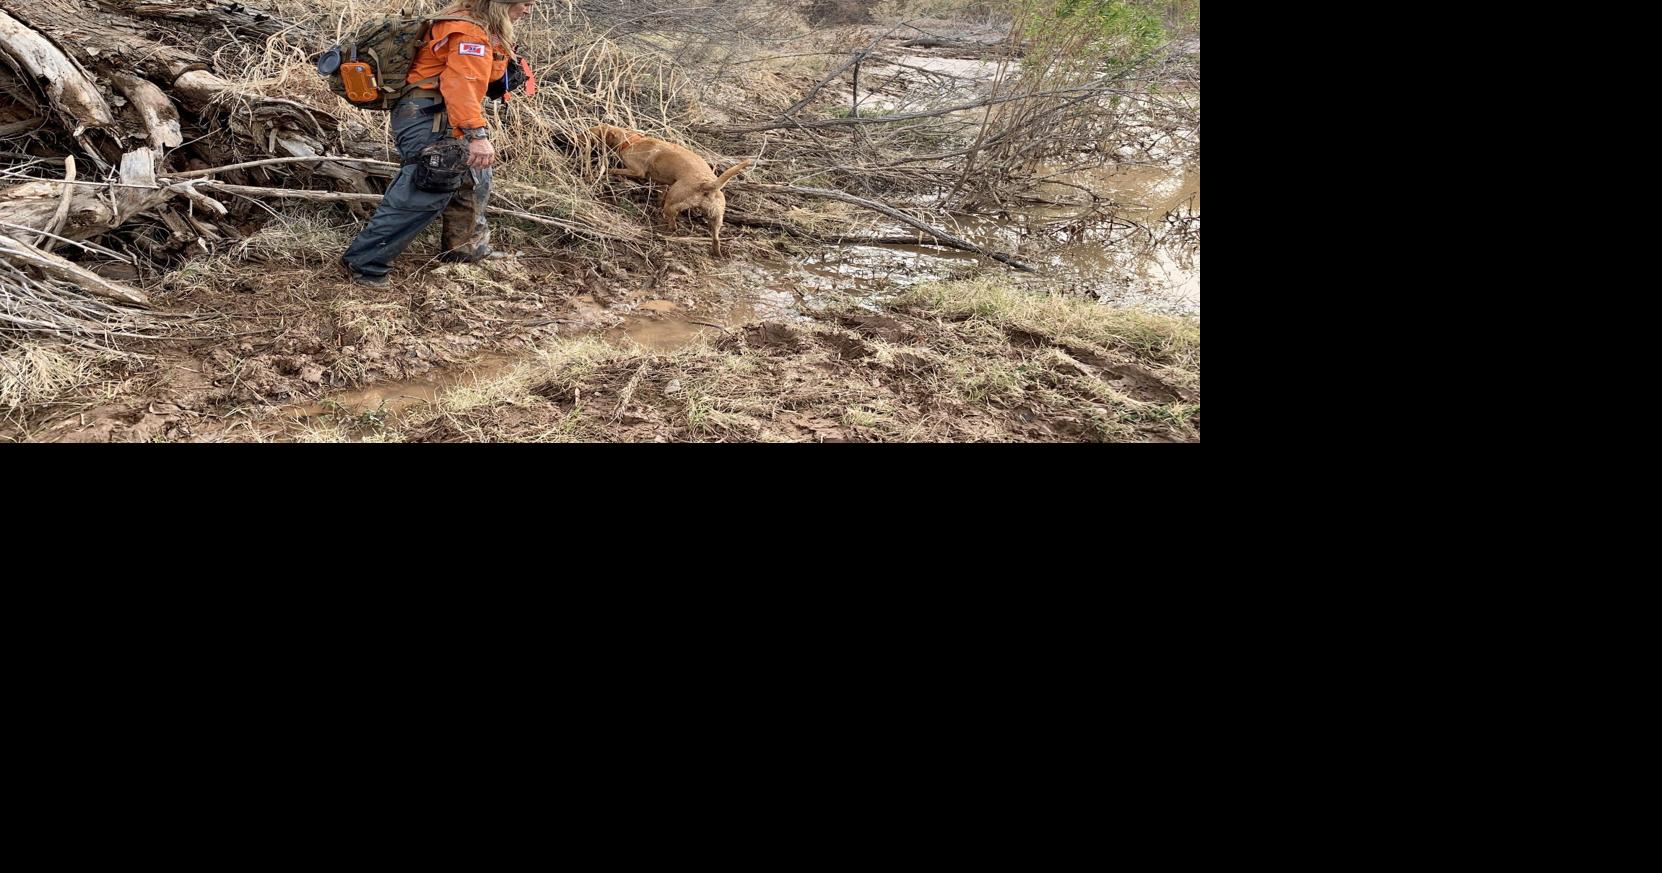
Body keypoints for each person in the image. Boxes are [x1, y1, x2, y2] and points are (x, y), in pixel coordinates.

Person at [341, 0, 537, 287]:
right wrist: (477, 135)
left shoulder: (478, 26)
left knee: (474, 176)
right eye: (526, 3)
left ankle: (465, 251)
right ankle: (364, 263)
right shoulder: (468, 33)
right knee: (427, 187)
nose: (529, 10)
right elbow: (462, 86)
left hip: (439, 113)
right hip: (428, 115)